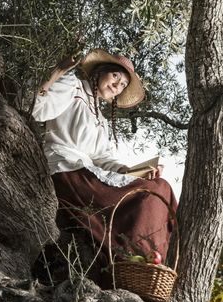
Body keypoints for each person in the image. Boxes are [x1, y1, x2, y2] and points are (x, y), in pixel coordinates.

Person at [32, 48, 177, 287]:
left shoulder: (100, 118)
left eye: (122, 85)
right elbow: (38, 108)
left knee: (159, 187)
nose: (117, 85)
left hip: (90, 172)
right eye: (115, 77)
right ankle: (128, 261)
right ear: (99, 72)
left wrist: (136, 171)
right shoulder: (74, 87)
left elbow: (103, 158)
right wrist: (59, 70)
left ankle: (145, 266)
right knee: (145, 197)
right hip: (68, 170)